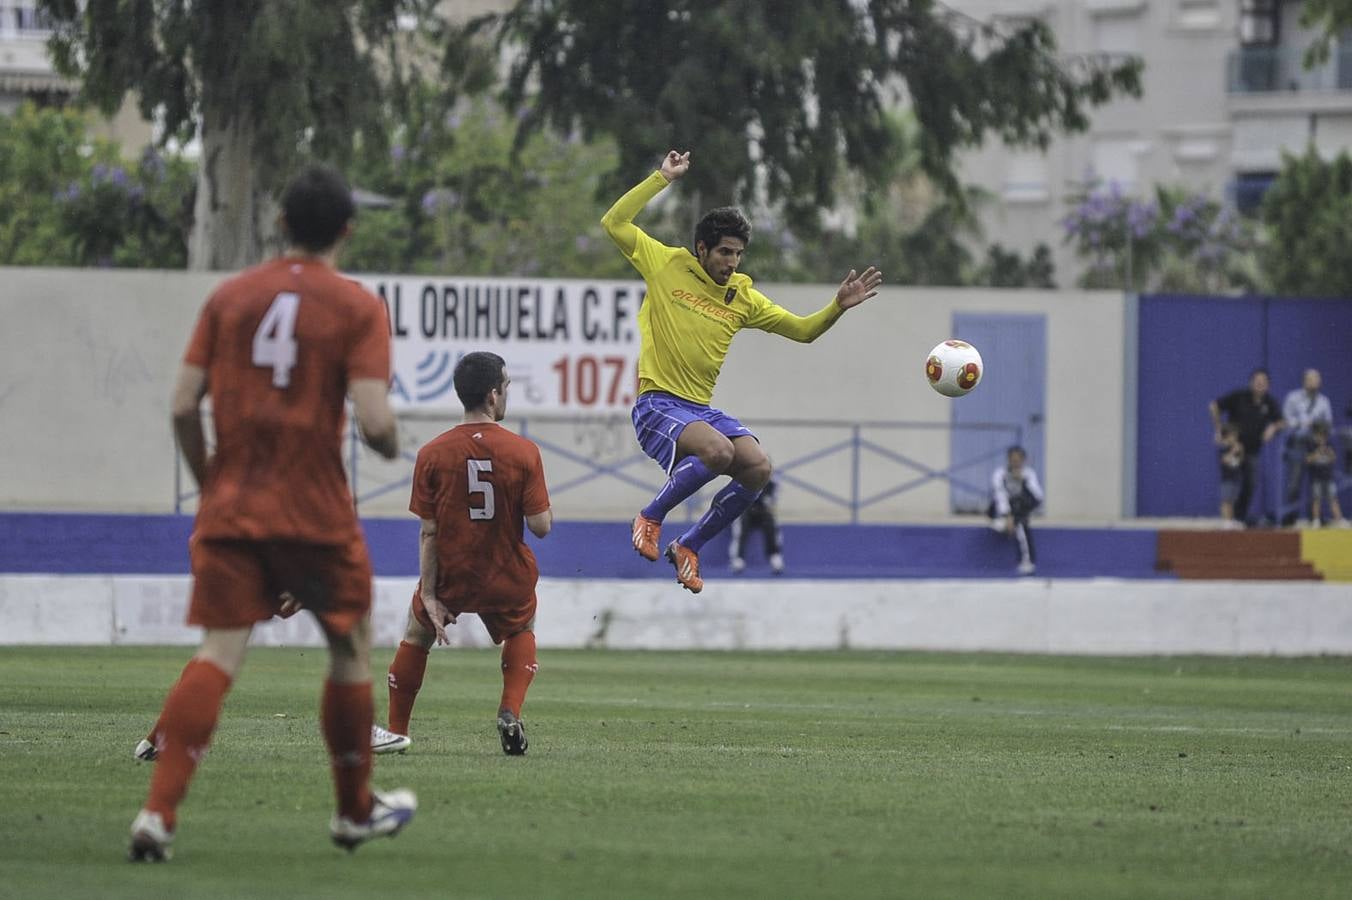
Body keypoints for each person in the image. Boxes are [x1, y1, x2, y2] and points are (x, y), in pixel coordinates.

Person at [126, 166, 416, 862]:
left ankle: (158, 816)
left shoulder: (230, 297)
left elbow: (179, 404)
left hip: (232, 507)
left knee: (220, 650)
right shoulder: (355, 306)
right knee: (348, 646)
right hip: (315, 511)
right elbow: (376, 423)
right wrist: (388, 440)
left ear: (280, 224)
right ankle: (352, 813)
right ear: (347, 231)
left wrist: (211, 482)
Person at [602, 149, 882, 593]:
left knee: (756, 466)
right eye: (725, 252)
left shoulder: (744, 298)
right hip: (656, 405)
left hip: (698, 409)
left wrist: (837, 307)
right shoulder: (665, 264)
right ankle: (650, 516)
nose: (732, 262)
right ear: (702, 249)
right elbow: (614, 223)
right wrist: (661, 179)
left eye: (738, 254)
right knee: (717, 453)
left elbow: (804, 332)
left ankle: (689, 546)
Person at [380, 351, 552, 757]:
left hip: (453, 573)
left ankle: (396, 730)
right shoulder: (524, 451)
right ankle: (510, 709)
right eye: (506, 387)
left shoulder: (432, 453)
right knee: (522, 626)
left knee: (416, 633)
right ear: (493, 396)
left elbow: (429, 531)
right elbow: (542, 527)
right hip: (506, 574)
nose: (507, 394)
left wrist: (430, 595)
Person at [1209, 368, 1283, 526]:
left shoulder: (1270, 402)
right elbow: (1214, 406)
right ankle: (1226, 520)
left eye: (1263, 382)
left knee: (1250, 484)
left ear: (1268, 385)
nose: (1260, 384)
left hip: (1252, 451)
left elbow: (1281, 420)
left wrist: (1273, 428)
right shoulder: (1239, 397)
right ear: (1251, 382)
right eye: (1257, 381)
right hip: (1233, 448)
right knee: (1230, 484)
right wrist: (1218, 430)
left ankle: (1238, 517)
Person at [1279, 369, 1333, 526]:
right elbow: (1286, 420)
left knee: (1317, 481)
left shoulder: (1324, 401)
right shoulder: (1293, 398)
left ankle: (1315, 517)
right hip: (1298, 442)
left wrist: (1318, 428)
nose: (1313, 382)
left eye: (1316, 378)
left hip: (1316, 444)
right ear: (1304, 380)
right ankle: (1290, 516)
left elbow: (1328, 423)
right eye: (1310, 379)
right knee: (1294, 482)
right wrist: (1302, 423)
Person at [988, 446, 1044, 575]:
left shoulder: (1029, 474)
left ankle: (1027, 561)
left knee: (1021, 524)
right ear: (1008, 460)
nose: (1015, 463)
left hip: (1020, 510)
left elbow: (1038, 496)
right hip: (1003, 511)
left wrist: (1023, 482)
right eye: (1012, 460)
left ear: (1023, 460)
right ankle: (1002, 522)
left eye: (1018, 460)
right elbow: (1000, 494)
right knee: (999, 503)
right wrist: (1008, 516)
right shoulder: (1000, 474)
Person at [729, 474, 783, 574]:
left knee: (771, 524)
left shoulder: (771, 482)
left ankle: (775, 556)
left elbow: (773, 501)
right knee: (741, 525)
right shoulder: (742, 478)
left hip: (762, 511)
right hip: (745, 510)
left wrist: (767, 504)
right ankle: (738, 559)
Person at [1305, 421, 1346, 527]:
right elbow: (1308, 460)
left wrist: (1328, 452)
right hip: (1316, 477)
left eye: (1324, 436)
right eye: (1319, 435)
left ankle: (1339, 519)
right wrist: (1318, 453)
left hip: (1328, 476)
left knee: (1333, 498)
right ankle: (1316, 520)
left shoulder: (1329, 444)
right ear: (1315, 435)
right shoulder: (1311, 444)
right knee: (1316, 498)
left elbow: (1333, 458)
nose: (1322, 438)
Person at [1217, 423, 1245, 529]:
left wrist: (1241, 452)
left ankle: (1231, 520)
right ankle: (1225, 521)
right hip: (1227, 479)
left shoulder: (1237, 447)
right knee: (1225, 500)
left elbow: (1240, 461)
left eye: (1236, 436)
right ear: (1227, 436)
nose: (1235, 438)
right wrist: (1233, 451)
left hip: (1236, 478)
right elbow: (1224, 460)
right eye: (1232, 436)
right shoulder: (1224, 447)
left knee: (1232, 501)